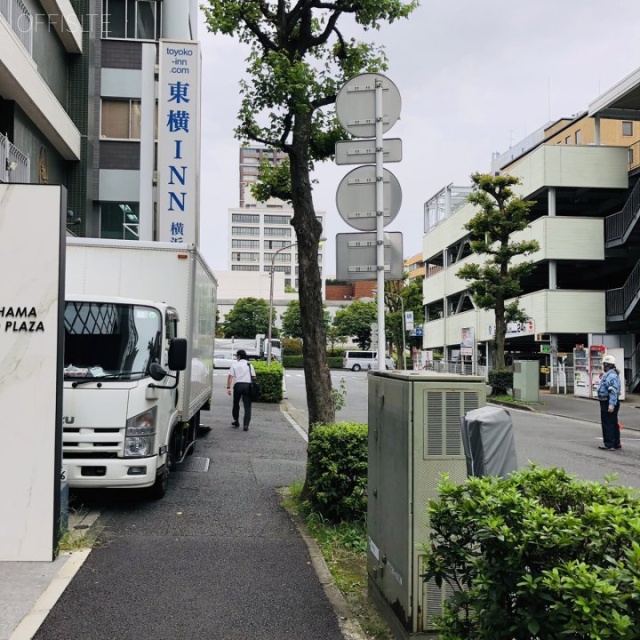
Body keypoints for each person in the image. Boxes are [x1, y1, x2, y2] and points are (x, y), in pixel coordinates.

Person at [597, 354, 621, 451]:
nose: (603, 366)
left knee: (607, 423)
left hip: (607, 402)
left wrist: (611, 405)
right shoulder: (611, 374)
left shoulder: (611, 376)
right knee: (613, 422)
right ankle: (616, 443)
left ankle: (609, 444)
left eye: (604, 364)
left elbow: (613, 391)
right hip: (610, 401)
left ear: (607, 365)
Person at [226, 349, 255, 431]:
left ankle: (236, 421)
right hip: (247, 386)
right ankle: (246, 425)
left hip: (238, 386)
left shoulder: (234, 365)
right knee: (247, 407)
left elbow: (230, 376)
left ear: (239, 356)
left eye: (236, 356)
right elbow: (253, 377)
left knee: (236, 404)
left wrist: (228, 387)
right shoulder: (250, 365)